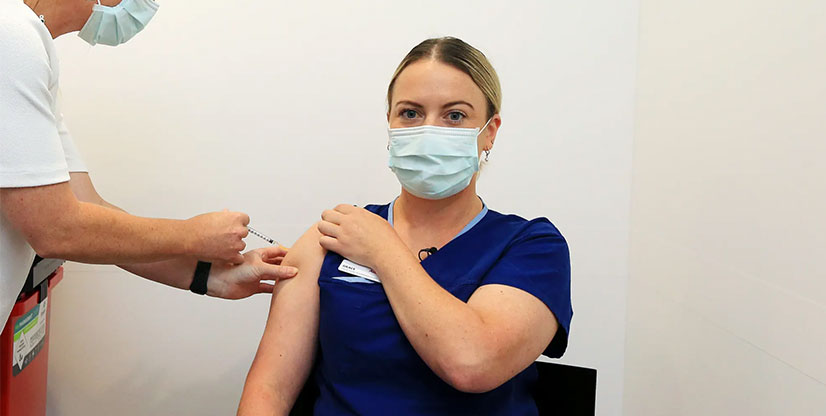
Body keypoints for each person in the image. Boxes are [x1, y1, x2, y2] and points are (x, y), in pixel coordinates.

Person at [238, 37, 573, 415]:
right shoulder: (333, 235)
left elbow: (473, 363)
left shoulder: (532, 247)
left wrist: (383, 250)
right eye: (411, 114)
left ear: (490, 131)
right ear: (390, 125)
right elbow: (269, 389)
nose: (429, 130)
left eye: (455, 115)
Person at [0, 0, 298, 331]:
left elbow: (87, 209)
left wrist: (212, 276)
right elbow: (57, 229)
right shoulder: (11, 34)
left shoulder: (29, 45)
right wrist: (193, 235)